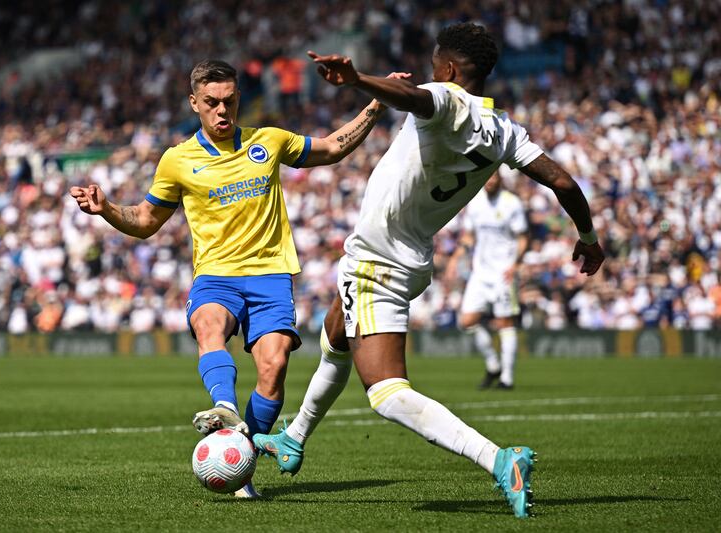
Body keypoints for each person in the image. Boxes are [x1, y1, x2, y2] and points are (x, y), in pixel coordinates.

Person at [253, 23, 605, 518]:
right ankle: (293, 437)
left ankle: (499, 460)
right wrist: (589, 238)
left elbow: (414, 98)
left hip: (379, 259)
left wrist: (359, 79)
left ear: (452, 70)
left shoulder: (447, 98)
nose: (431, 73)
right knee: (336, 332)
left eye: (436, 65)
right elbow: (564, 182)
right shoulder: (504, 129)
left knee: (386, 393)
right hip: (409, 254)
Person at [70, 59, 389, 498]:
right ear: (194, 103)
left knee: (274, 368)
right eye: (212, 103)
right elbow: (145, 220)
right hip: (216, 276)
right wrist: (105, 209)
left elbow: (334, 147)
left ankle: (243, 465)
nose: (223, 111)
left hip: (270, 276)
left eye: (230, 101)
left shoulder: (269, 141)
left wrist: (377, 103)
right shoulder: (178, 160)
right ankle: (224, 404)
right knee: (209, 326)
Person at [446, 172, 529, 390]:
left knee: (505, 323)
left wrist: (516, 264)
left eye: (494, 178)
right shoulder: (475, 202)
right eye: (487, 178)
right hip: (480, 273)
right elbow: (469, 236)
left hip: (503, 273)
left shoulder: (512, 203)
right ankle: (493, 365)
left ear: (500, 179)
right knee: (466, 322)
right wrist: (456, 258)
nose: (490, 181)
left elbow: (522, 238)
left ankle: (507, 378)